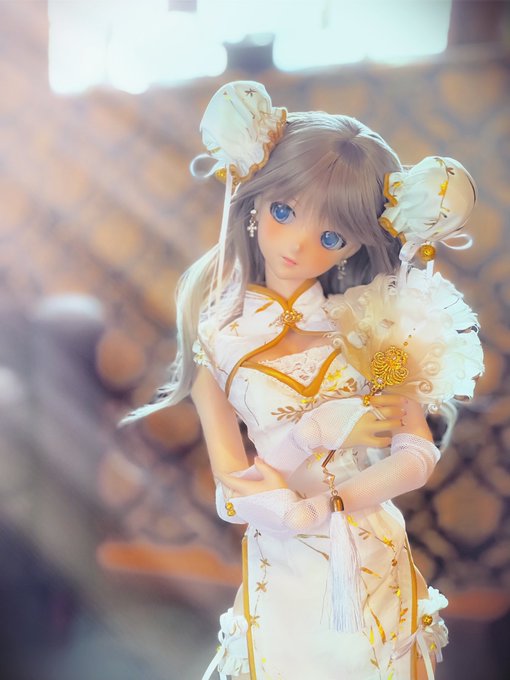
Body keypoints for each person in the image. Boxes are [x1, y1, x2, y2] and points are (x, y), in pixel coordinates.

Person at [123, 81, 482, 680]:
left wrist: (333, 502)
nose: (297, 244)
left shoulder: (373, 330)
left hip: (372, 560)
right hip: (283, 564)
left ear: (352, 246)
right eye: (284, 211)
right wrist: (313, 438)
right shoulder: (218, 343)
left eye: (331, 235)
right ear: (254, 201)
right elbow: (234, 488)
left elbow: (415, 453)